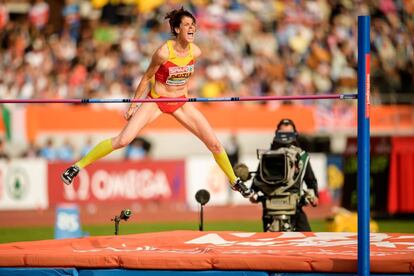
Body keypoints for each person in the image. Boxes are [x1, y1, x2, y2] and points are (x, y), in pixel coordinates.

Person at [61, 7, 252, 198]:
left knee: (215, 145)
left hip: (181, 102)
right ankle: (76, 167)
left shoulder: (196, 51)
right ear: (177, 29)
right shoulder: (163, 53)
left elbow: (185, 75)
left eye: (193, 25)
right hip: (157, 101)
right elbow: (146, 78)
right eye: (187, 25)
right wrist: (134, 105)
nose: (192, 28)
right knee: (123, 140)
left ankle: (234, 181)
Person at [252, 118, 319, 231]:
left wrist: (314, 195)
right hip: (270, 210)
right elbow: (258, 178)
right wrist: (253, 192)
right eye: (282, 133)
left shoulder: (302, 157)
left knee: (307, 241)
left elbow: (310, 180)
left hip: (295, 208)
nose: (285, 137)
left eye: (288, 133)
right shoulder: (267, 155)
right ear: (277, 134)